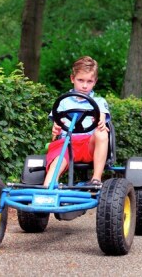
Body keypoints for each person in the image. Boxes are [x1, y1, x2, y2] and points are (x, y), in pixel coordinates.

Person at [44, 56, 110, 187]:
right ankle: (49, 189)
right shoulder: (63, 101)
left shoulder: (99, 102)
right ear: (72, 79)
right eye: (80, 80)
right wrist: (56, 128)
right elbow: (56, 123)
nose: (84, 86)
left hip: (88, 145)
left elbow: (102, 115)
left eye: (89, 81)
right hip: (66, 144)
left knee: (102, 133)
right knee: (54, 169)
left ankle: (96, 179)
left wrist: (100, 120)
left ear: (95, 82)